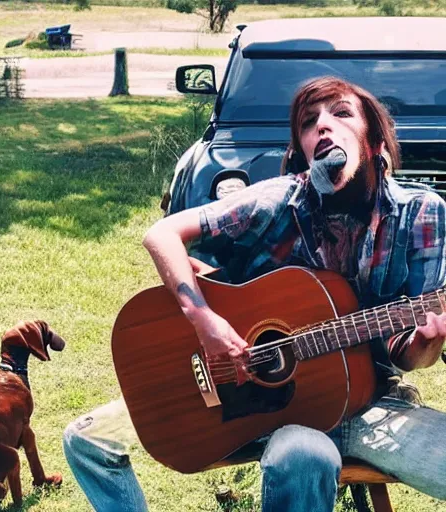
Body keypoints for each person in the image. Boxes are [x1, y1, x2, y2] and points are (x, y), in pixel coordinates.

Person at [63, 76, 446, 512]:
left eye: (340, 114)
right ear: (301, 150)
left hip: (371, 405)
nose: (322, 126)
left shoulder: (422, 214)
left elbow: (406, 353)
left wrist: (424, 344)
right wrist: (206, 321)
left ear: (375, 140)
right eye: (308, 122)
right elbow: (162, 233)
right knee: (86, 440)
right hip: (269, 412)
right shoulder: (278, 200)